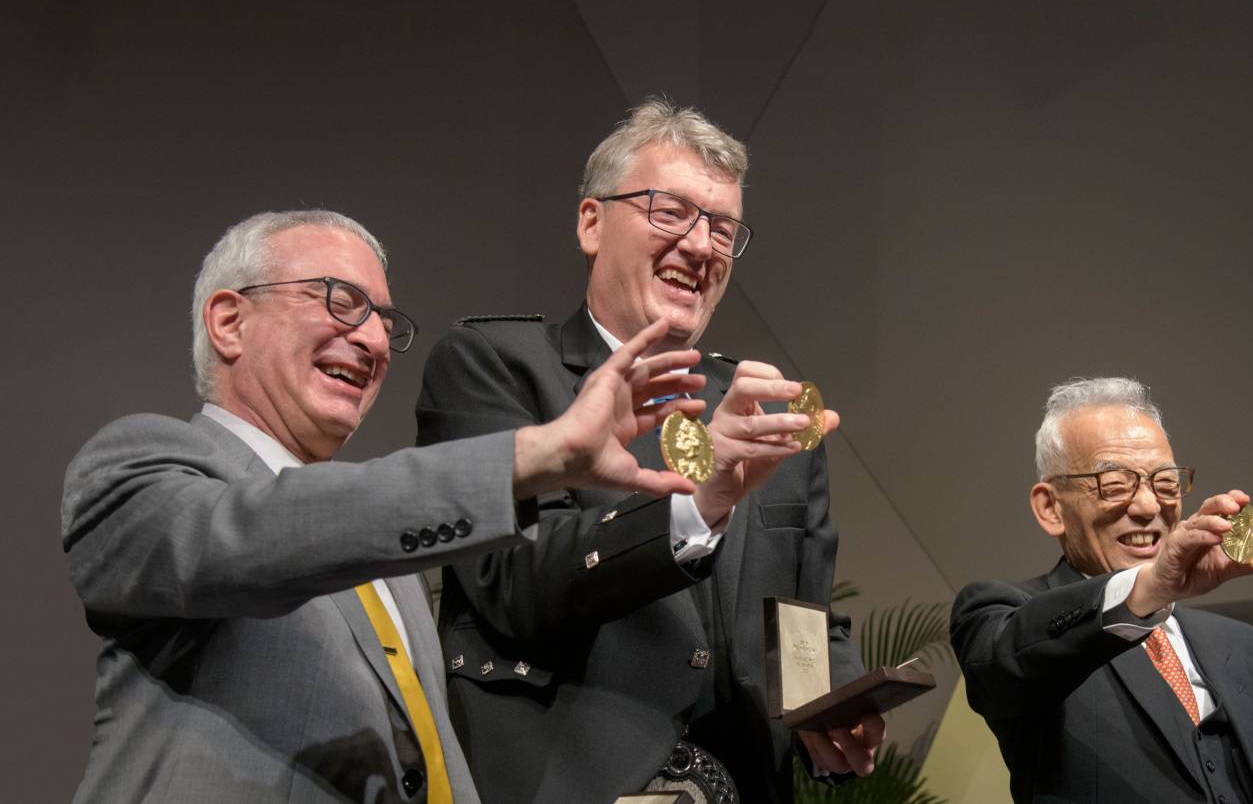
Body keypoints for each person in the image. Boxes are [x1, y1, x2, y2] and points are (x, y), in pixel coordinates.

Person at [61, 209, 706, 804]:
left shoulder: (390, 556)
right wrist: (536, 454)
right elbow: (262, 531)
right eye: (342, 302)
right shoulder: (136, 465)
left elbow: (432, 756)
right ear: (229, 320)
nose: (372, 340)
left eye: (384, 322)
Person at [416, 98, 883, 803]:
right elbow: (512, 589)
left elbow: (799, 618)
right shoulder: (493, 365)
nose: (701, 247)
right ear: (591, 222)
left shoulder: (768, 407)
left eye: (722, 228)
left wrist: (833, 699)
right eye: (671, 213)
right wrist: (701, 503)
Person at [949, 377, 1253, 804]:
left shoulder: (1243, 646)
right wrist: (1150, 588)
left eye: (1165, 483)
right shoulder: (1004, 613)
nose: (1148, 507)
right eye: (1115, 484)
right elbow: (1003, 671)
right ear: (1051, 507)